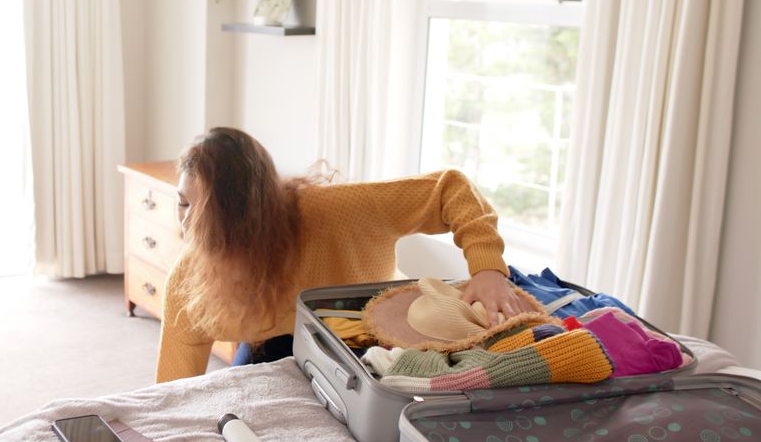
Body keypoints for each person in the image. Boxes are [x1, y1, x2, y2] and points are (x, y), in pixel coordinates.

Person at [155, 127, 535, 383]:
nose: (187, 226)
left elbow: (449, 188)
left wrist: (488, 269)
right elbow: (172, 388)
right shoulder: (190, 282)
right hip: (273, 348)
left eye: (203, 214)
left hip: (370, 332)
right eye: (182, 204)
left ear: (249, 214)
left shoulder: (338, 211)